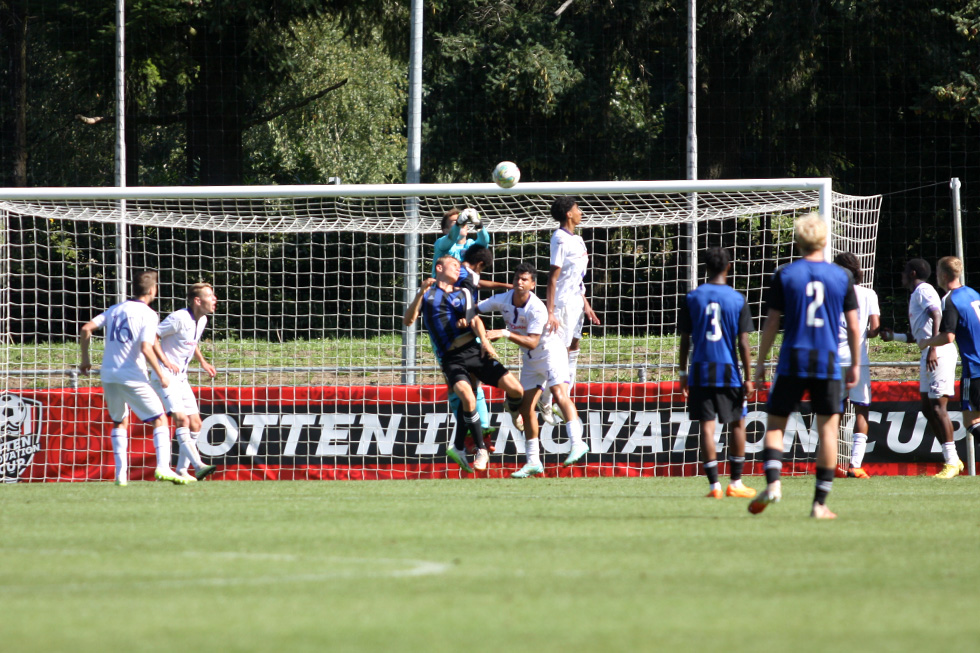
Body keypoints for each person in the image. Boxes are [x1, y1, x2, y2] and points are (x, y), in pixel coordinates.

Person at [750, 214, 860, 519]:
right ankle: (819, 504)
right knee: (827, 430)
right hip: (827, 360)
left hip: (792, 359)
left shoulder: (785, 274)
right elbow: (852, 327)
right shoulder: (842, 277)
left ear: (797, 241)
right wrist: (855, 363)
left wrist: (760, 364)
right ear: (825, 240)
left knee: (775, 425)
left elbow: (771, 323)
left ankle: (773, 486)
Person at [404, 256, 526, 473]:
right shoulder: (428, 294)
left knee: (517, 390)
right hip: (452, 359)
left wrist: (485, 343)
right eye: (454, 265)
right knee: (467, 397)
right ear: (439, 268)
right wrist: (420, 292)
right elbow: (408, 320)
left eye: (460, 266)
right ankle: (480, 449)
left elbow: (475, 320)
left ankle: (510, 409)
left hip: (474, 351)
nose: (458, 268)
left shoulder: (464, 293)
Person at [480, 263, 590, 478]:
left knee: (559, 394)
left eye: (525, 280)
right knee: (526, 408)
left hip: (551, 353)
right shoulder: (503, 299)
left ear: (532, 284)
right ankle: (533, 461)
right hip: (531, 360)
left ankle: (577, 443)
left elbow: (532, 342)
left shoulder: (537, 308)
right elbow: (477, 307)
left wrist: (504, 333)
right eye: (517, 279)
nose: (520, 283)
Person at [79, 270, 188, 486]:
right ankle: (163, 468)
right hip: (131, 375)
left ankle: (121, 475)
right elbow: (146, 348)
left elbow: (86, 328)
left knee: (120, 421)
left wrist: (85, 360)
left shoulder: (115, 309)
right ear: (151, 290)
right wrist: (161, 375)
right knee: (160, 418)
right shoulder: (148, 313)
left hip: (108, 374)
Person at [677, 247, 756, 499]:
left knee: (707, 427)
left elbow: (684, 340)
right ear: (728, 267)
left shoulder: (692, 297)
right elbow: (743, 343)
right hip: (728, 371)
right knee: (737, 423)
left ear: (706, 268)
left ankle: (714, 487)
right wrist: (748, 377)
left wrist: (682, 373)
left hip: (700, 370)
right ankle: (736, 482)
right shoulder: (737, 298)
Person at [880, 259, 960, 476]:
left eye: (904, 271)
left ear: (912, 272)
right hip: (928, 352)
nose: (901, 275)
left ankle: (952, 461)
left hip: (939, 352)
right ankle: (951, 458)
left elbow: (937, 314)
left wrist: (934, 346)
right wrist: (892, 337)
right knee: (927, 407)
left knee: (937, 407)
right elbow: (918, 337)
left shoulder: (924, 290)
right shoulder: (916, 295)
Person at [431, 209, 498, 440]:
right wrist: (458, 223)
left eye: (463, 224)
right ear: (444, 229)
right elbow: (451, 238)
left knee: (476, 371)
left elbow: (485, 241)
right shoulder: (443, 245)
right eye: (454, 224)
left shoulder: (470, 247)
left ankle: (484, 425)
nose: (460, 227)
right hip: (442, 318)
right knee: (455, 377)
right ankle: (464, 430)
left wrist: (479, 224)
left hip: (467, 315)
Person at [916, 256, 980, 478]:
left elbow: (948, 336)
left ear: (943, 275)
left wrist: (927, 342)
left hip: (975, 369)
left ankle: (953, 464)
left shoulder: (950, 300)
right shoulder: (974, 294)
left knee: (971, 422)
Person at [150, 282, 219, 482]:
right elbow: (152, 336)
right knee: (182, 420)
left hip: (181, 378)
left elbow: (192, 342)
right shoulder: (178, 318)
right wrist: (165, 361)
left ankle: (182, 471)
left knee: (196, 424)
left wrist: (203, 362)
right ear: (198, 300)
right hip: (165, 376)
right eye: (210, 295)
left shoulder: (202, 319)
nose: (215, 299)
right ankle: (199, 465)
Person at [542, 196, 601, 424]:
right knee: (560, 353)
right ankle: (546, 400)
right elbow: (553, 278)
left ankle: (564, 396)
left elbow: (576, 279)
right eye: (577, 208)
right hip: (562, 305)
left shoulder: (578, 240)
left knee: (574, 347)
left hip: (576, 302)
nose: (581, 212)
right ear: (568, 213)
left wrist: (586, 304)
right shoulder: (559, 239)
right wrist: (550, 311)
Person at [832, 253, 881, 478]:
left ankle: (829, 463)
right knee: (861, 408)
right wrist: (867, 332)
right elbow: (874, 328)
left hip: (832, 360)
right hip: (857, 360)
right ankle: (855, 465)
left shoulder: (830, 292)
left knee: (833, 413)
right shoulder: (868, 294)